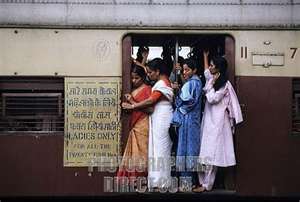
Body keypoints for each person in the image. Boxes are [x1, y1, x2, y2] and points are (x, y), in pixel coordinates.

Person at [193, 51, 243, 192]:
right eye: (210, 65)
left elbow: (213, 99)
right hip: (209, 120)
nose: (210, 67)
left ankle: (207, 185)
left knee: (212, 153)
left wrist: (209, 87)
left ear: (219, 68)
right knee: (205, 151)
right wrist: (205, 56)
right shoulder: (212, 78)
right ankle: (203, 183)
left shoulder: (224, 85)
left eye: (212, 65)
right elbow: (206, 72)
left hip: (219, 121)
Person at [122, 58, 174, 190]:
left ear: (158, 71)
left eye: (151, 72)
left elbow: (151, 101)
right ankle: (157, 182)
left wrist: (132, 106)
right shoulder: (163, 81)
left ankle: (161, 183)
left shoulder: (162, 83)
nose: (149, 75)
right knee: (157, 149)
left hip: (162, 118)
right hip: (159, 116)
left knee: (161, 150)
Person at [171, 58, 202, 192]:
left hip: (188, 120)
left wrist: (177, 93)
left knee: (186, 150)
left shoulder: (192, 83)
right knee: (190, 150)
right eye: (183, 70)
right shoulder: (196, 82)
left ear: (194, 70)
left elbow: (187, 102)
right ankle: (191, 182)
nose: (184, 72)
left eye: (187, 70)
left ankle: (187, 183)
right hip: (193, 120)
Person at [117, 65, 152, 180]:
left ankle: (142, 179)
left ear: (142, 77)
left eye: (136, 78)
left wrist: (132, 103)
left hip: (143, 125)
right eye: (132, 78)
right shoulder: (132, 90)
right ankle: (134, 179)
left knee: (142, 153)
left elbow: (149, 109)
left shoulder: (148, 89)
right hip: (134, 126)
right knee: (135, 154)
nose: (133, 81)